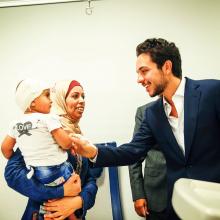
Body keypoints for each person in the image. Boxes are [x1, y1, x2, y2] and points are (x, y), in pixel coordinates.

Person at [71, 38, 220, 220]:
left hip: (214, 200)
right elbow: (132, 152)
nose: (139, 79)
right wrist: (92, 151)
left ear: (166, 67)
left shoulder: (212, 92)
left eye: (144, 71)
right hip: (177, 205)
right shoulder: (152, 113)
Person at [4, 79, 102, 220]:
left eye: (83, 96)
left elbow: (90, 180)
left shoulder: (80, 136)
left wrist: (79, 202)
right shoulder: (39, 132)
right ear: (60, 100)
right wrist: (59, 191)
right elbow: (12, 175)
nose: (82, 101)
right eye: (75, 96)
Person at [128, 102, 167, 220]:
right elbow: (134, 155)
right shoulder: (145, 112)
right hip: (157, 195)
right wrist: (138, 194)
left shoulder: (196, 106)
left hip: (193, 190)